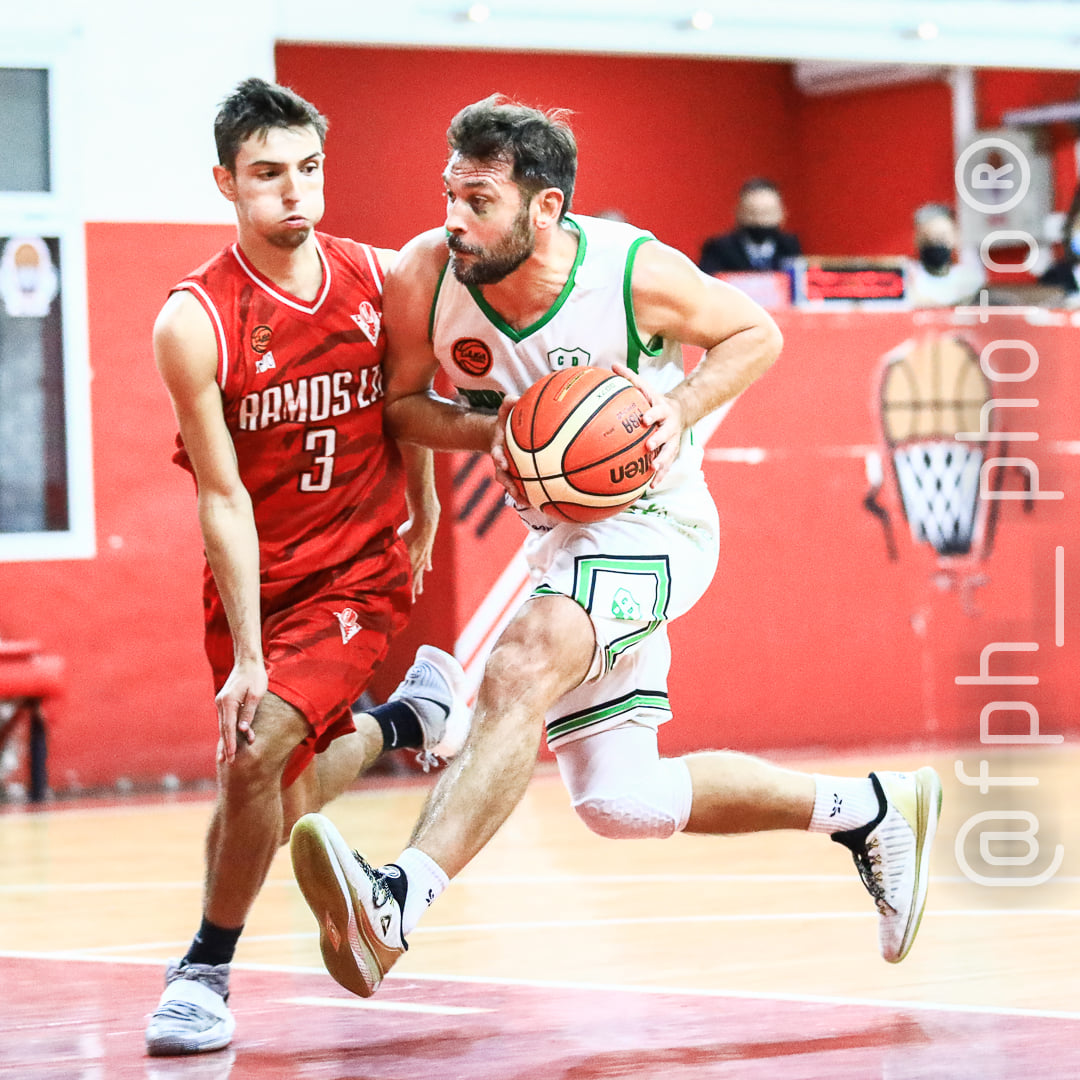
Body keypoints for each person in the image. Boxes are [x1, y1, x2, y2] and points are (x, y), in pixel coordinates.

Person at [289, 95, 943, 1002]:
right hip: (560, 536)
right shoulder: (425, 276)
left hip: (658, 525)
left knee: (526, 658)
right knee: (619, 802)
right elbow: (401, 407)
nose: (454, 219)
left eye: (480, 200)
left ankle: (397, 903)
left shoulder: (632, 271)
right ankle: (868, 810)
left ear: (545, 208)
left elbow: (758, 331)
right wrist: (503, 433)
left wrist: (675, 409)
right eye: (449, 194)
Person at [144, 78, 470, 1057]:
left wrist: (423, 505)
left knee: (252, 756)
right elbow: (220, 497)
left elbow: (403, 405)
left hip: (355, 573)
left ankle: (203, 971)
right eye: (268, 174)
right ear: (226, 183)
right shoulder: (195, 320)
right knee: (262, 787)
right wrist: (247, 652)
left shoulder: (379, 279)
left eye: (309, 169)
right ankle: (401, 722)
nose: (295, 191)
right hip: (255, 573)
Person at [698, 178, 801, 274]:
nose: (761, 221)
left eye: (767, 213)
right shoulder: (719, 248)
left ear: (782, 213)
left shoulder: (789, 247)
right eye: (753, 213)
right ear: (738, 212)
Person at [905, 203, 985, 308]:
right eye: (927, 238)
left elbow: (967, 295)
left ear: (955, 236)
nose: (935, 243)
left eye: (941, 237)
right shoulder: (907, 274)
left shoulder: (969, 274)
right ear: (917, 239)